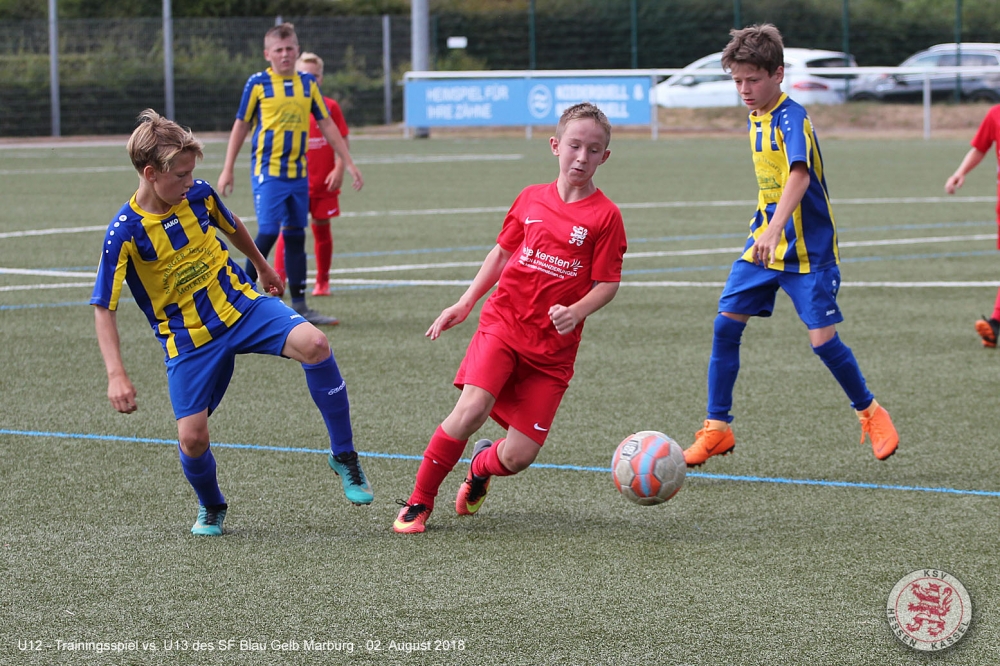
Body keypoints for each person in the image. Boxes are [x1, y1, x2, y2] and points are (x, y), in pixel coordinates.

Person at [92, 109, 373, 537]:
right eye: (181, 175)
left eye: (192, 173)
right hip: (188, 340)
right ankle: (212, 505)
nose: (190, 182)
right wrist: (116, 374)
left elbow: (232, 224)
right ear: (150, 173)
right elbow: (104, 307)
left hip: (242, 307)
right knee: (192, 439)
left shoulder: (199, 196)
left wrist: (262, 265)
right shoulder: (124, 233)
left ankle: (344, 456)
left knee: (315, 344)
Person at [393, 102, 628, 534]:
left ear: (605, 157)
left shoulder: (606, 216)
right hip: (504, 323)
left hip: (552, 351)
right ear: (555, 146)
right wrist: (466, 302)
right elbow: (502, 253)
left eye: (593, 150)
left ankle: (480, 467)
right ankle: (418, 502)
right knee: (471, 409)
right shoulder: (530, 197)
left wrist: (576, 311)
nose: (581, 157)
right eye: (574, 146)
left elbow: (607, 283)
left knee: (519, 457)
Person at [683, 24, 899, 468]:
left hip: (808, 250)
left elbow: (799, 175)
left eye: (753, 80)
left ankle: (870, 412)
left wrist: (776, 228)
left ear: (778, 74)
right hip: (763, 245)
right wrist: (766, 231)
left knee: (822, 342)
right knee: (725, 326)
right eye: (737, 81)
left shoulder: (791, 117)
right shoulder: (755, 117)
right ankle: (717, 428)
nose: (744, 89)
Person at [217, 23, 363, 327]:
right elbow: (241, 125)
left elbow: (326, 123)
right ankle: (240, 301)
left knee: (296, 236)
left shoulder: (307, 84)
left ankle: (300, 305)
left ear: (297, 51)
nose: (285, 54)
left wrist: (347, 162)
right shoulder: (257, 84)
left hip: (299, 174)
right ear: (267, 54)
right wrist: (228, 167)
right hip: (268, 172)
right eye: (279, 50)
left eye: (289, 48)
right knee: (269, 231)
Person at [272, 52, 350, 300]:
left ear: (321, 79)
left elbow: (342, 140)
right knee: (287, 231)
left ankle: (322, 281)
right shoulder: (288, 106)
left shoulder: (330, 107)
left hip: (324, 182)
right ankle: (279, 280)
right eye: (305, 75)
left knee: (322, 228)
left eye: (315, 76)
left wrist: (339, 168)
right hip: (295, 182)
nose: (311, 80)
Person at [944, 105, 1000, 348]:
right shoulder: (995, 114)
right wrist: (960, 172)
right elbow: (980, 147)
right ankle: (995, 324)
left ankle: (996, 323)